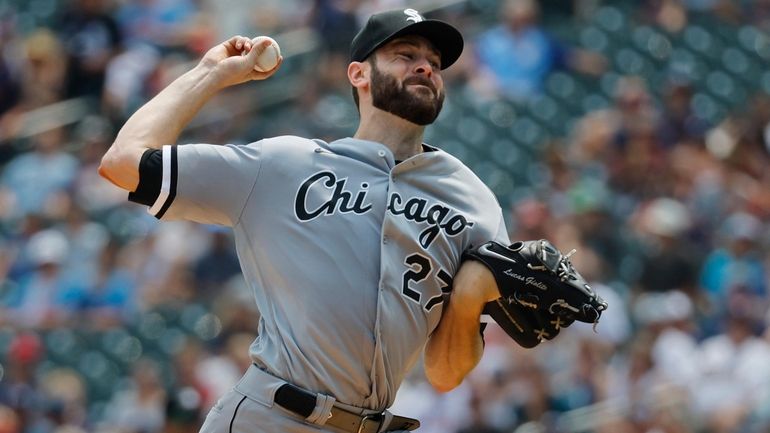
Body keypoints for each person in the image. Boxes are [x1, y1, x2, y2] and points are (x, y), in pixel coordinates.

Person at [99, 8, 507, 433]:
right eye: (405, 55)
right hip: (269, 418)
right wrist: (210, 74)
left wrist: (467, 298)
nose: (425, 66)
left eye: (435, 63)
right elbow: (123, 162)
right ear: (358, 74)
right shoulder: (284, 164)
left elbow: (445, 374)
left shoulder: (473, 202)